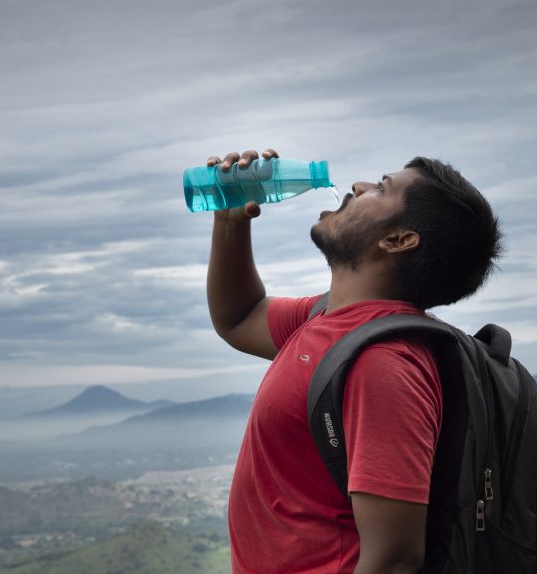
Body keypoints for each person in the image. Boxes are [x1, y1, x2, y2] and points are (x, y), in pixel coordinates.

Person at [206, 148, 503, 574]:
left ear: (398, 240)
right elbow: (239, 317)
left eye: (381, 188)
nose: (357, 187)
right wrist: (229, 219)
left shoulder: (382, 363)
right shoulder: (325, 318)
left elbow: (395, 559)